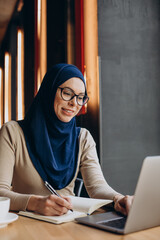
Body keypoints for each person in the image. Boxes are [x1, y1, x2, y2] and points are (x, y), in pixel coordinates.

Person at [0, 63, 133, 216]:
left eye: (80, 98)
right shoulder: (12, 132)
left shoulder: (82, 138)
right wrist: (35, 203)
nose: (74, 103)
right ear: (49, 91)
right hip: (27, 227)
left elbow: (97, 186)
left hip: (68, 223)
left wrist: (118, 199)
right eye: (67, 93)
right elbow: (1, 192)